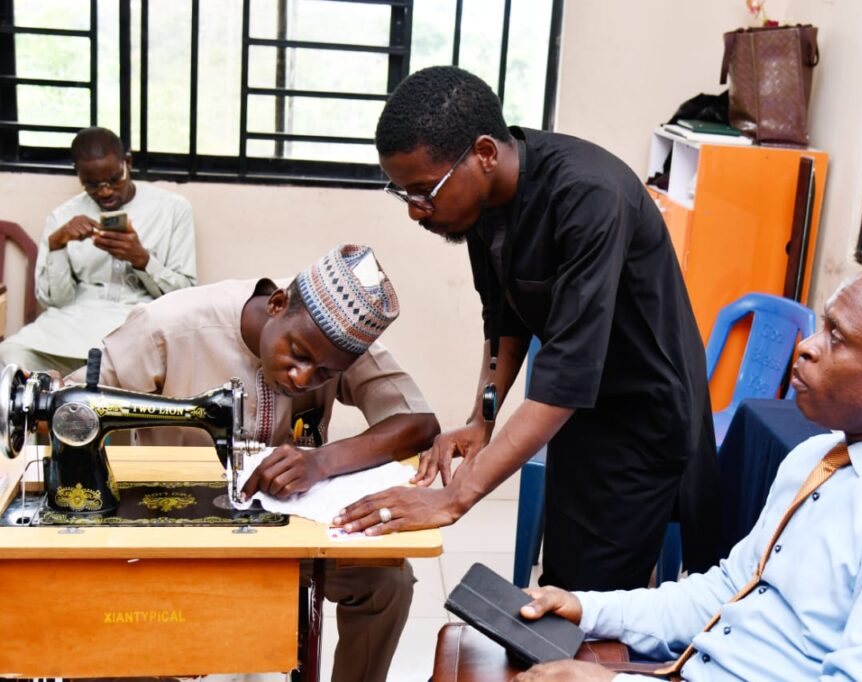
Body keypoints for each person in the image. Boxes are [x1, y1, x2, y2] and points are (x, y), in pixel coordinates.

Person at [510, 262, 862, 681]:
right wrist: (588, 609)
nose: (807, 346)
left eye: (838, 338)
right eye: (822, 326)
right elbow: (728, 589)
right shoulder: (818, 457)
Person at [335, 65, 720, 590]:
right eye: (404, 194)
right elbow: (505, 318)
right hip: (580, 414)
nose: (416, 212)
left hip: (642, 416)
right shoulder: (482, 204)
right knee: (565, 576)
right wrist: (481, 420)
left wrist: (454, 498)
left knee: (595, 596)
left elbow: (567, 375)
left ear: (484, 154)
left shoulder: (589, 196)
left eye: (424, 191)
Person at [70, 244, 440, 682]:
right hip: (175, 534)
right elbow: (75, 408)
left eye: (323, 374)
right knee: (102, 629)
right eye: (298, 354)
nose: (303, 378)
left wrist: (321, 462)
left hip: (281, 537)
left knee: (388, 583)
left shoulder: (338, 338)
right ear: (277, 304)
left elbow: (418, 422)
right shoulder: (170, 327)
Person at [0, 126, 197, 375]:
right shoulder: (63, 216)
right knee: (10, 355)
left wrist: (142, 259)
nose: (105, 191)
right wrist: (57, 246)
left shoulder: (173, 210)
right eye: (92, 185)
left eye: (114, 180)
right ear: (79, 175)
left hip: (138, 321)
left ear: (127, 163)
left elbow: (186, 294)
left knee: (161, 364)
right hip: (72, 325)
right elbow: (56, 302)